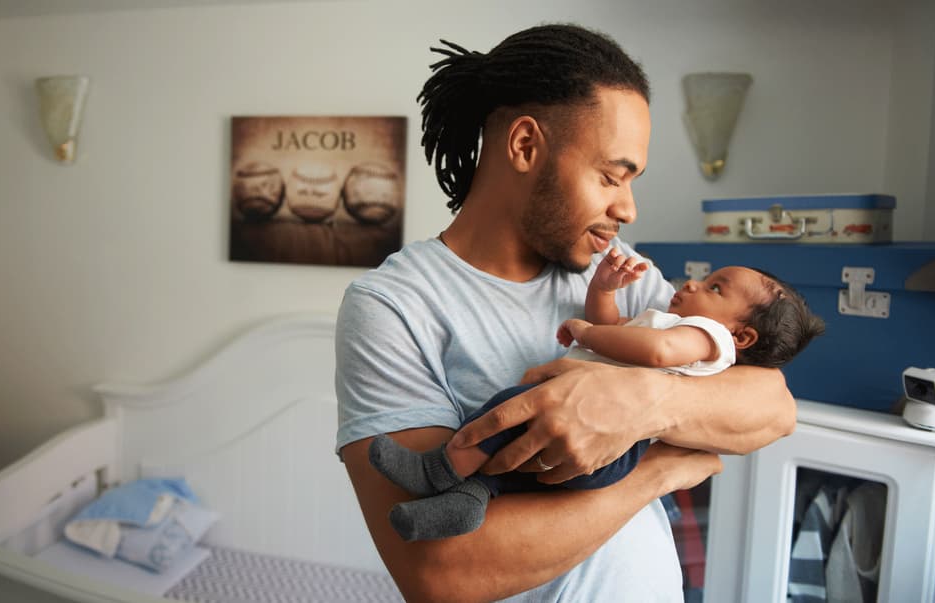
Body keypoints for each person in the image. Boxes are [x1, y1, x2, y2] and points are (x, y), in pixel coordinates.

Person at [336, 23, 797, 602]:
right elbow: (440, 573)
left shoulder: (617, 270)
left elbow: (773, 407)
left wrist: (637, 406)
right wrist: (659, 471)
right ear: (526, 146)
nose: (628, 208)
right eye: (611, 175)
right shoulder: (394, 308)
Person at [366, 253, 825, 541]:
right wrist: (602, 291)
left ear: (740, 335)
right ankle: (470, 498)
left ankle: (439, 468)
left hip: (613, 450)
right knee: (519, 461)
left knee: (510, 406)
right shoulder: (670, 317)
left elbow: (656, 349)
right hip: (597, 455)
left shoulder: (705, 337)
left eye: (715, 288)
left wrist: (588, 334)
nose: (690, 284)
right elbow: (618, 327)